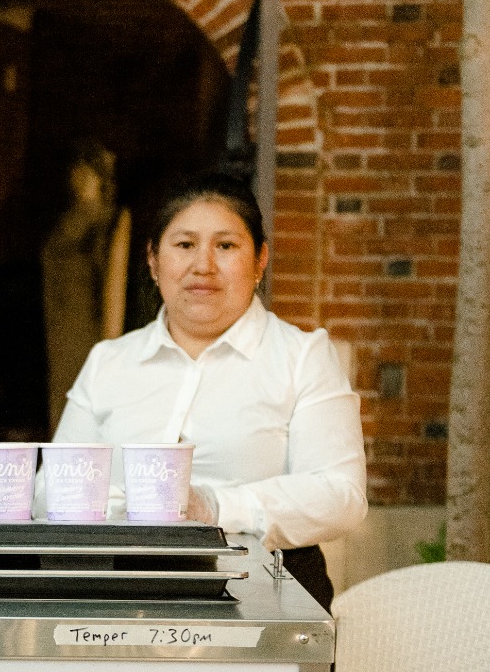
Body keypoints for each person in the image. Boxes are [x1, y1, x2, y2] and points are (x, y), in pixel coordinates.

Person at [44, 173, 366, 597]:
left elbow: (340, 496)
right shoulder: (110, 361)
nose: (203, 266)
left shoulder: (302, 356)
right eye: (184, 245)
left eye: (226, 246)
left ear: (260, 260)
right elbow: (49, 487)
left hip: (262, 597)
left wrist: (214, 506)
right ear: (154, 261)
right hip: (114, 593)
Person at [40, 141, 132, 432]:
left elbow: (113, 283)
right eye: (76, 170)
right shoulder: (66, 220)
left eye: (87, 171)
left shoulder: (109, 220)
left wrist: (109, 344)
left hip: (86, 325)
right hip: (59, 321)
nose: (78, 177)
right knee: (60, 396)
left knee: (82, 401)